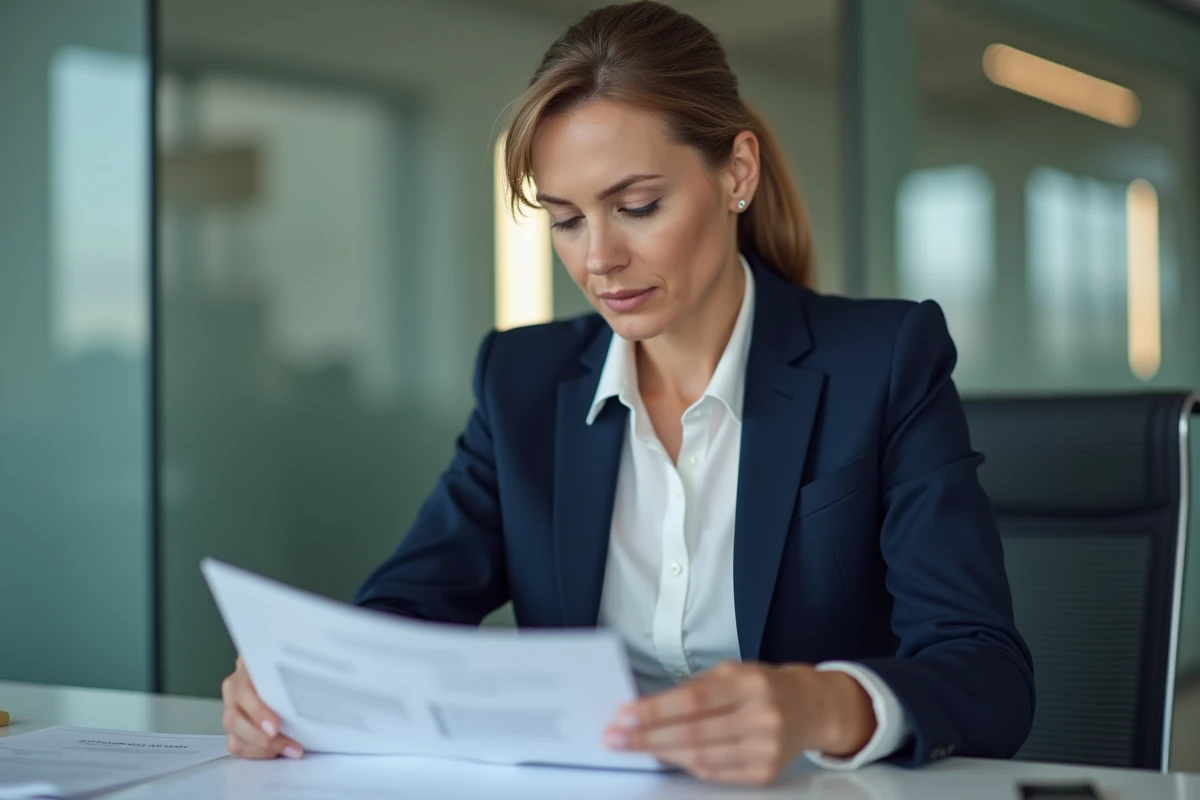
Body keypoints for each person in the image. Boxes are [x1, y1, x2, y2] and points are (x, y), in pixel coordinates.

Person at [219, 0, 1034, 786]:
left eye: (637, 206)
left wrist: (821, 702)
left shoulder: (883, 362)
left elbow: (985, 669)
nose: (598, 258)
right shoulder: (523, 383)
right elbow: (410, 603)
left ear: (735, 173)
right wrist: (300, 682)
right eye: (566, 219)